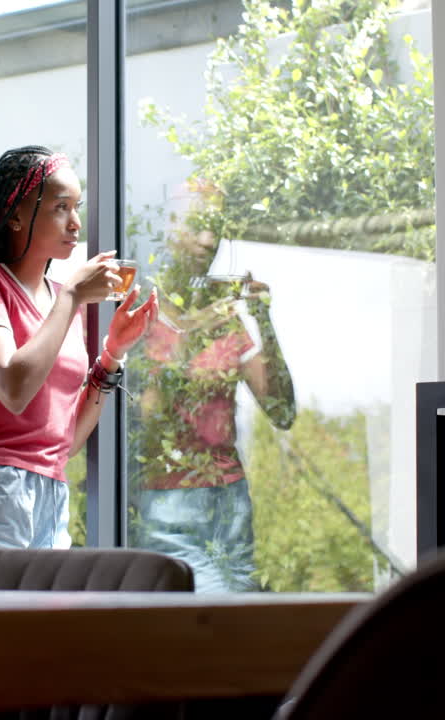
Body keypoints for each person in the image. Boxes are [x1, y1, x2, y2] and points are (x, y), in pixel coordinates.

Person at [0, 145, 159, 550]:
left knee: (46, 616)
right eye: (59, 207)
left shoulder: (60, 300)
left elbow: (61, 440)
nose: (75, 223)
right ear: (15, 214)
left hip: (51, 494)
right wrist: (72, 297)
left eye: (77, 207)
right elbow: (13, 389)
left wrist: (113, 354)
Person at [128, 189, 296, 592]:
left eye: (215, 230)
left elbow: (282, 412)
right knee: (214, 620)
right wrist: (189, 336)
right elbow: (145, 425)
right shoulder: (142, 317)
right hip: (169, 502)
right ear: (168, 230)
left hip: (232, 501)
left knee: (241, 622)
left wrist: (263, 320)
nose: (207, 240)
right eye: (197, 227)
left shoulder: (223, 320)